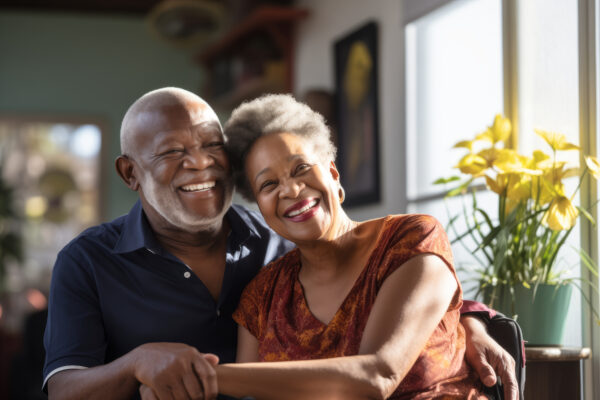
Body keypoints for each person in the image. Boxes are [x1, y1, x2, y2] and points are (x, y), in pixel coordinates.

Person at [43, 87, 517, 400]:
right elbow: (62, 388)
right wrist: (138, 364)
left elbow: (386, 280)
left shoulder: (279, 241)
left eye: (212, 146)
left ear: (333, 173)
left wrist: (466, 318)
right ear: (130, 173)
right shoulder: (87, 262)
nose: (200, 164)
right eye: (172, 152)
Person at [196, 93, 496, 399]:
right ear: (261, 208)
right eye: (268, 185)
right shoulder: (261, 297)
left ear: (334, 175)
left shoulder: (410, 239)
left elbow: (378, 377)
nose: (291, 190)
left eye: (300, 168)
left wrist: (202, 376)